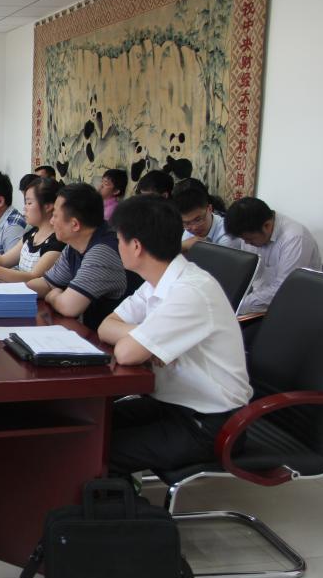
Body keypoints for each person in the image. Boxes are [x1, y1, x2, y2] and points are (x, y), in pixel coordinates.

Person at [98, 196, 252, 478]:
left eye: (118, 240)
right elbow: (106, 326)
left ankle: (119, 502)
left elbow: (126, 353)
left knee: (98, 450)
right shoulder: (157, 282)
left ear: (136, 246)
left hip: (210, 423)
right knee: (92, 427)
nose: (116, 246)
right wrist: (147, 338)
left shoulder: (190, 291)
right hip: (172, 403)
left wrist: (143, 342)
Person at [26, 183, 127, 330]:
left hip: (105, 338)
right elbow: (47, 284)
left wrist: (53, 296)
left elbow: (68, 306)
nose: (52, 221)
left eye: (55, 215)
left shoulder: (102, 252)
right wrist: (14, 291)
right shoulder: (75, 245)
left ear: (75, 225)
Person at [224, 197, 322, 315]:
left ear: (267, 225)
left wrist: (237, 305)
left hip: (295, 308)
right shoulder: (251, 232)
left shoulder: (295, 238)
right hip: (259, 304)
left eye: (249, 239)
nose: (246, 243)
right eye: (243, 239)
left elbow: (283, 290)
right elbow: (250, 276)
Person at [0, 177, 65, 282]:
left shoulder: (57, 242)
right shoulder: (32, 233)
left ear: (48, 206)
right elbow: (4, 260)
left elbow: (33, 278)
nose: (25, 208)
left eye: (29, 203)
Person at [176, 185, 236, 251]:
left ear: (210, 209)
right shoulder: (188, 228)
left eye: (198, 220)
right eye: (187, 223)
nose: (194, 228)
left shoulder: (227, 235)